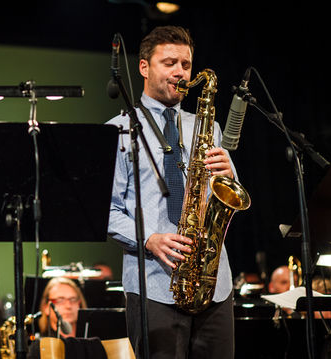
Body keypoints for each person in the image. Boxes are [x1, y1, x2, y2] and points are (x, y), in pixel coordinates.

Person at [106, 26, 238, 358]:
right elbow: (105, 211)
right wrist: (148, 238)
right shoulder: (118, 130)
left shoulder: (209, 127)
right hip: (153, 284)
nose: (180, 72)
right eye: (169, 62)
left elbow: (228, 198)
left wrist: (229, 174)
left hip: (214, 282)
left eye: (186, 64)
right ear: (144, 67)